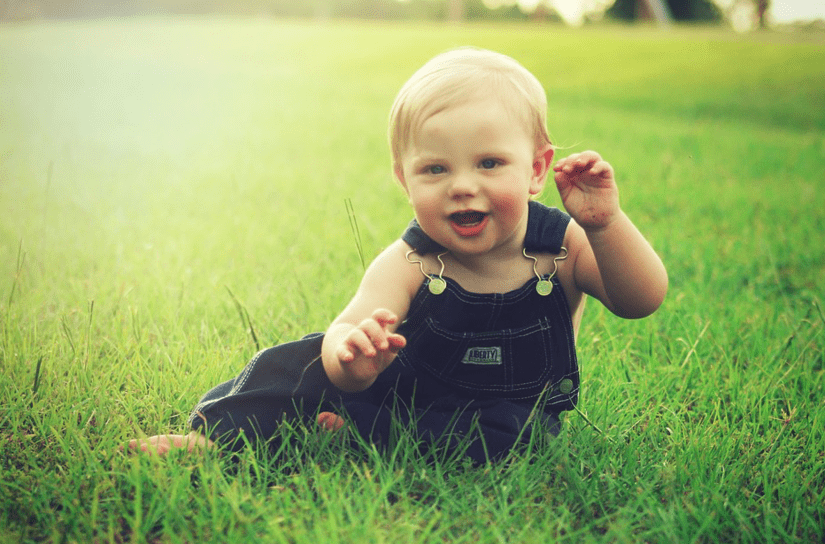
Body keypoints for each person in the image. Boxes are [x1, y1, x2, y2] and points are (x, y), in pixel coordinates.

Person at [129, 48, 667, 462]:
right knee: (298, 362)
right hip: (403, 391)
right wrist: (352, 359)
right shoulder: (410, 261)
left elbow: (639, 299)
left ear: (535, 169)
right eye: (435, 169)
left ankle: (355, 435)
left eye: (489, 163)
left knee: (514, 436)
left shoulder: (565, 246)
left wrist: (607, 225)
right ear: (403, 181)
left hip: (505, 414)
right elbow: (350, 326)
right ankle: (217, 436)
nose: (462, 185)